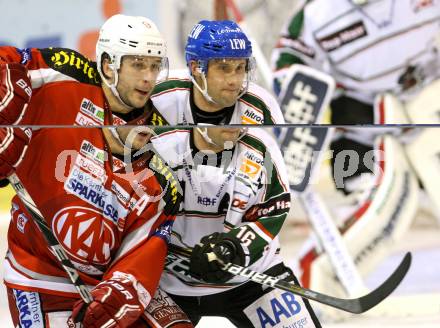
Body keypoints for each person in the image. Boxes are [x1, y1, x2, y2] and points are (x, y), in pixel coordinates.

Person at [0, 14, 191, 327]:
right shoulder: (63, 74)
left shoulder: (154, 145)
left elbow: (146, 249)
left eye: (154, 66)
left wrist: (119, 296)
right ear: (107, 65)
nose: (148, 77)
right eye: (138, 65)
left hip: (105, 278)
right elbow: (6, 64)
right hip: (39, 276)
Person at [270, 0, 439, 311]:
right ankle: (314, 284)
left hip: (428, 113)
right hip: (362, 133)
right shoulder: (316, 15)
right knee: (380, 212)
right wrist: (288, 87)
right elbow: (287, 65)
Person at [149, 126, 322, 328]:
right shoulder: (161, 135)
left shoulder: (260, 144)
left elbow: (273, 210)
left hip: (253, 277)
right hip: (167, 284)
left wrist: (235, 247)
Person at [150, 19, 285, 125]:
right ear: (195, 68)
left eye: (240, 68)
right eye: (224, 68)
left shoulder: (262, 107)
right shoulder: (157, 93)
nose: (234, 81)